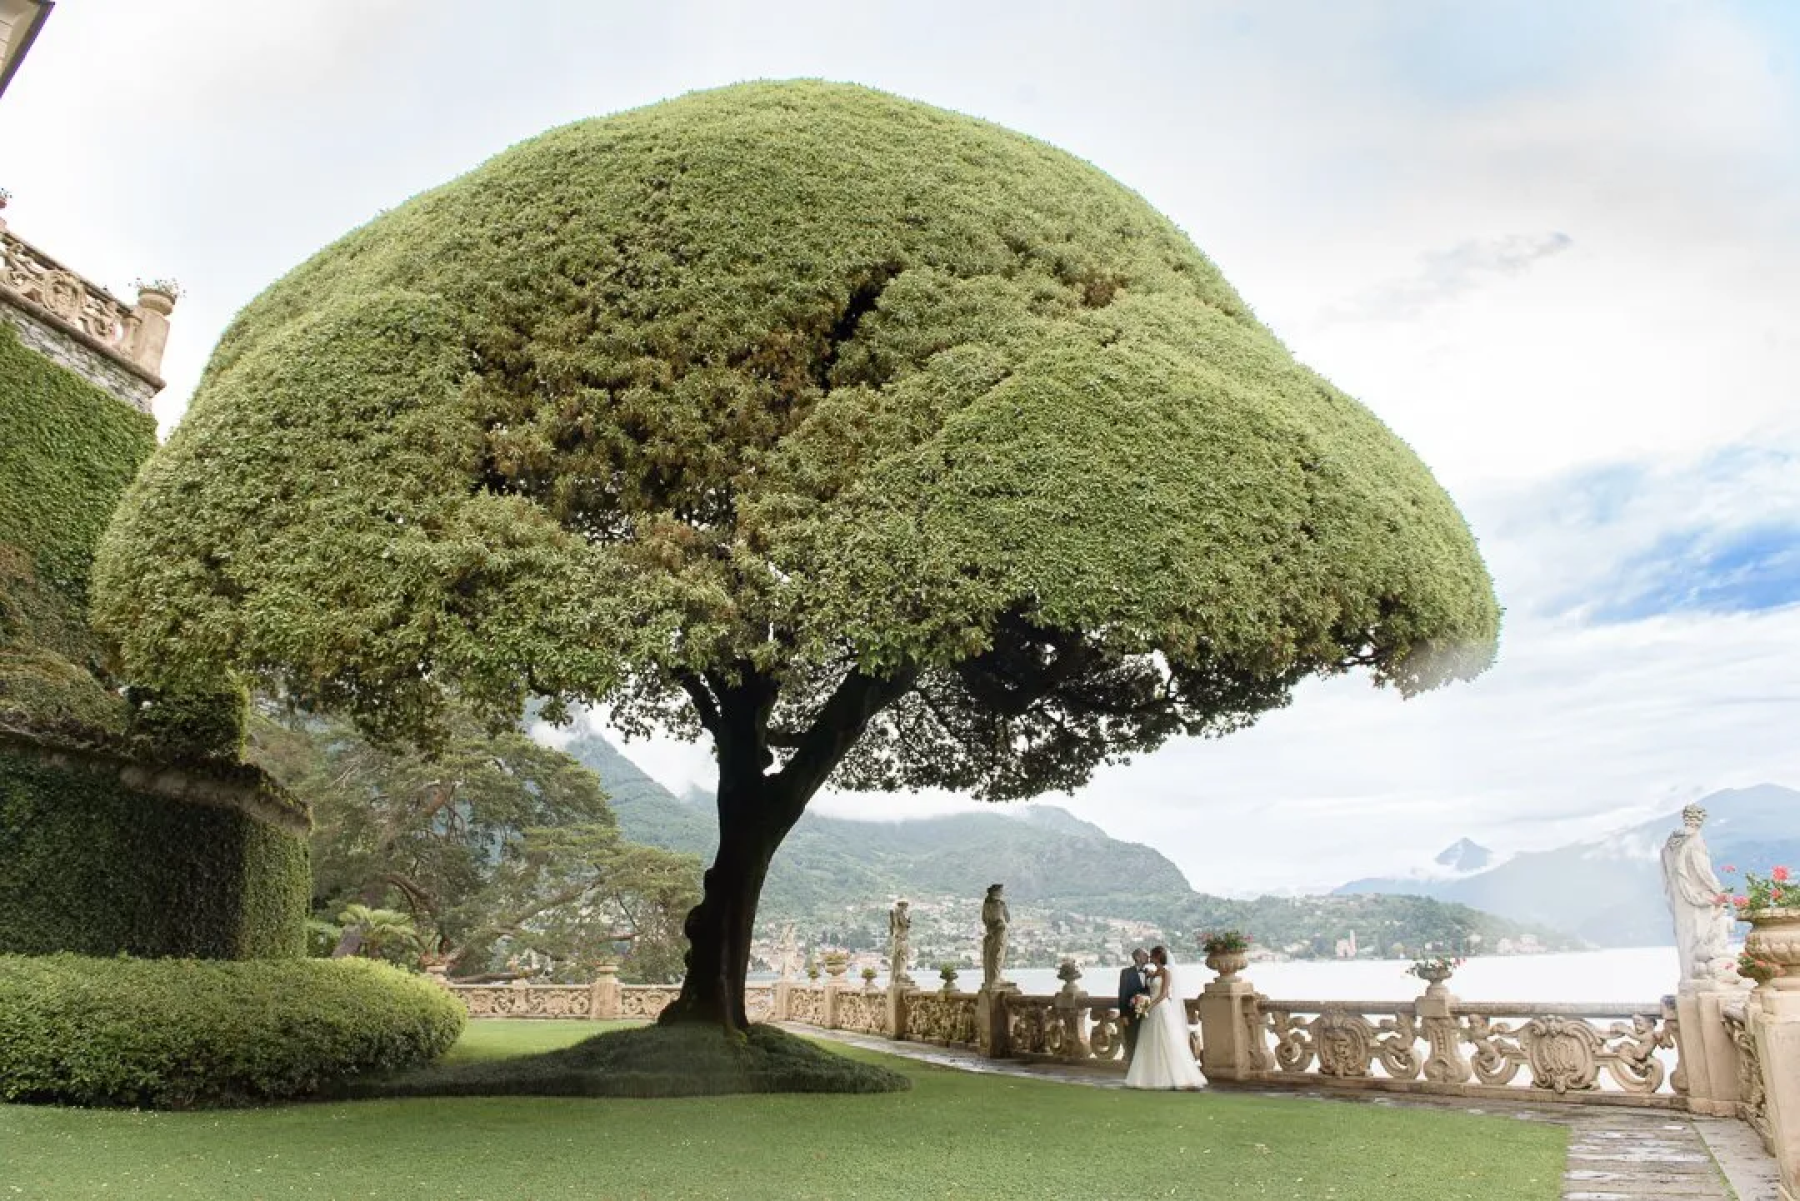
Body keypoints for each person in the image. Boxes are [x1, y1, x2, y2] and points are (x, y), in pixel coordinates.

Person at [1660, 803, 1736, 984]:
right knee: (1701, 936)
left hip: (1678, 897)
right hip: (1697, 898)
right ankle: (1696, 978)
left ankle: (1687, 978)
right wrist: (1720, 892)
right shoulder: (1695, 840)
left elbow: (1665, 872)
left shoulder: (1671, 843)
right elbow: (1703, 871)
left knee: (1685, 938)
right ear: (1700, 819)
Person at [1124, 945, 1205, 1090]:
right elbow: (1147, 989)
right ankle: (1149, 1077)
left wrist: (1149, 1006)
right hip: (1150, 1010)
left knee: (1167, 1041)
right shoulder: (1153, 973)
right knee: (1149, 1042)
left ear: (1157, 957)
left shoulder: (1166, 973)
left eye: (1152, 955)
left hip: (1160, 1008)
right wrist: (1141, 1000)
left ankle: (1177, 1076)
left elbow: (1164, 994)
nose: (1149, 957)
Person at [1117, 948, 1151, 1062]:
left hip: (1147, 1013)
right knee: (1131, 1041)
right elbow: (1122, 994)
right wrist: (1123, 1015)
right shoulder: (1126, 972)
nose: (1148, 956)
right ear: (1137, 957)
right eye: (1145, 954)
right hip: (1131, 1014)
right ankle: (1132, 1068)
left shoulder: (1149, 972)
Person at [980, 884, 1010, 988]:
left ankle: (991, 978)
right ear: (997, 892)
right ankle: (996, 978)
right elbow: (1007, 918)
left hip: (990, 932)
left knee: (990, 956)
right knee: (998, 955)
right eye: (1001, 891)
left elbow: (983, 919)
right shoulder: (1000, 904)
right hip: (1000, 931)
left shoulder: (986, 904)